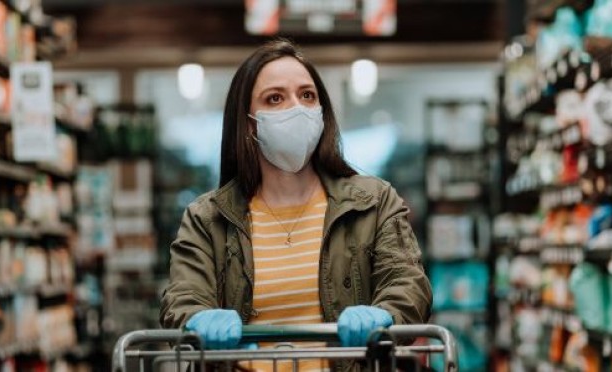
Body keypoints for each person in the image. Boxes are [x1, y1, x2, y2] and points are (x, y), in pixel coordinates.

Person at [160, 39, 432, 366]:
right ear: (248, 123)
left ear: (321, 112)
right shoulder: (208, 219)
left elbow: (408, 283)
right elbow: (183, 298)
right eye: (275, 98)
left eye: (307, 95)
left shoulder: (374, 203)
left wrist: (385, 313)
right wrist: (197, 318)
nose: (296, 108)